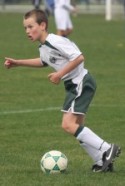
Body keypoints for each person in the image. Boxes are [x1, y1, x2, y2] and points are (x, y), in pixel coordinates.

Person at [4, 9, 121, 172]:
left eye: (30, 27)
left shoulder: (55, 40)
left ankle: (107, 149)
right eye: (25, 28)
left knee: (67, 125)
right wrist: (18, 63)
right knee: (77, 126)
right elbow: (43, 61)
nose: (27, 31)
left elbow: (79, 57)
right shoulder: (44, 46)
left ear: (43, 25)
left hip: (81, 82)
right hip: (75, 85)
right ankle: (101, 161)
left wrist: (59, 74)